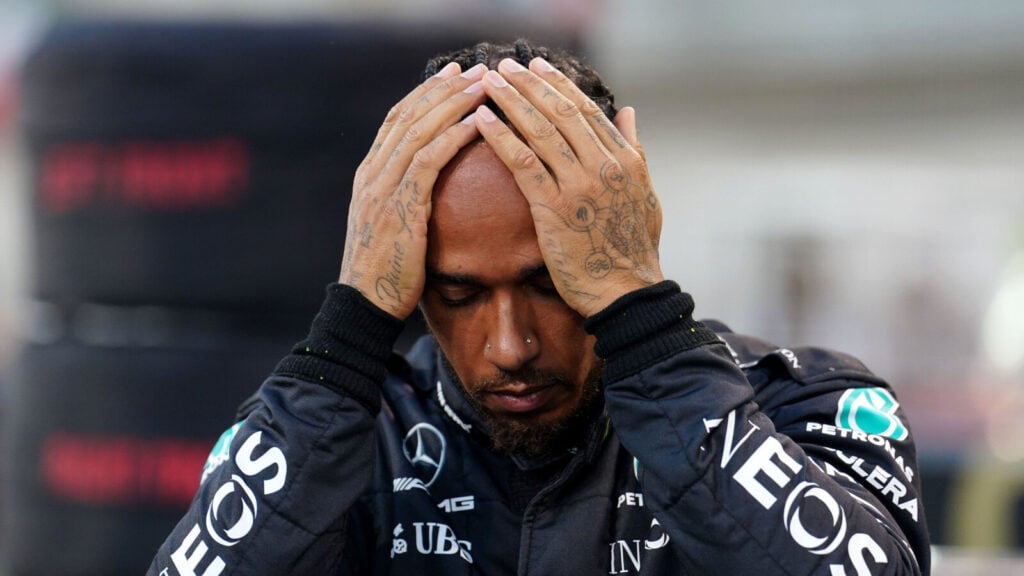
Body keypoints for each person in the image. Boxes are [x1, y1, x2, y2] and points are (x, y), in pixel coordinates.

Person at [149, 39, 930, 575]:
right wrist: (350, 323)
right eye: (458, 295)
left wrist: (645, 324)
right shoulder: (347, 432)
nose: (512, 345)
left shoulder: (806, 403)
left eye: (555, 285)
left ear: (627, 237)